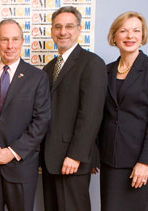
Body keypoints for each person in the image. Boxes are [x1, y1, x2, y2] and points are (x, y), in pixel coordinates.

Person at [0, 19, 51, 211]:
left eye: (15, 39)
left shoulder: (38, 77)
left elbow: (42, 120)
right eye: (4, 39)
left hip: (21, 168)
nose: (10, 45)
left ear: (22, 41)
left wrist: (11, 152)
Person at [98, 11, 148, 211]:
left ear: (142, 35)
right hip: (110, 160)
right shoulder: (106, 70)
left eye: (136, 31)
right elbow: (101, 116)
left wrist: (145, 162)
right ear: (114, 36)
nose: (130, 36)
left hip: (139, 161)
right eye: (123, 31)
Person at [41, 6, 107, 211]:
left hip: (72, 159)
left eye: (69, 26)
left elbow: (91, 114)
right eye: (58, 27)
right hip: (50, 159)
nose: (63, 32)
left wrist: (76, 155)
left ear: (79, 29)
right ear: (52, 31)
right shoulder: (49, 67)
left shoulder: (92, 63)